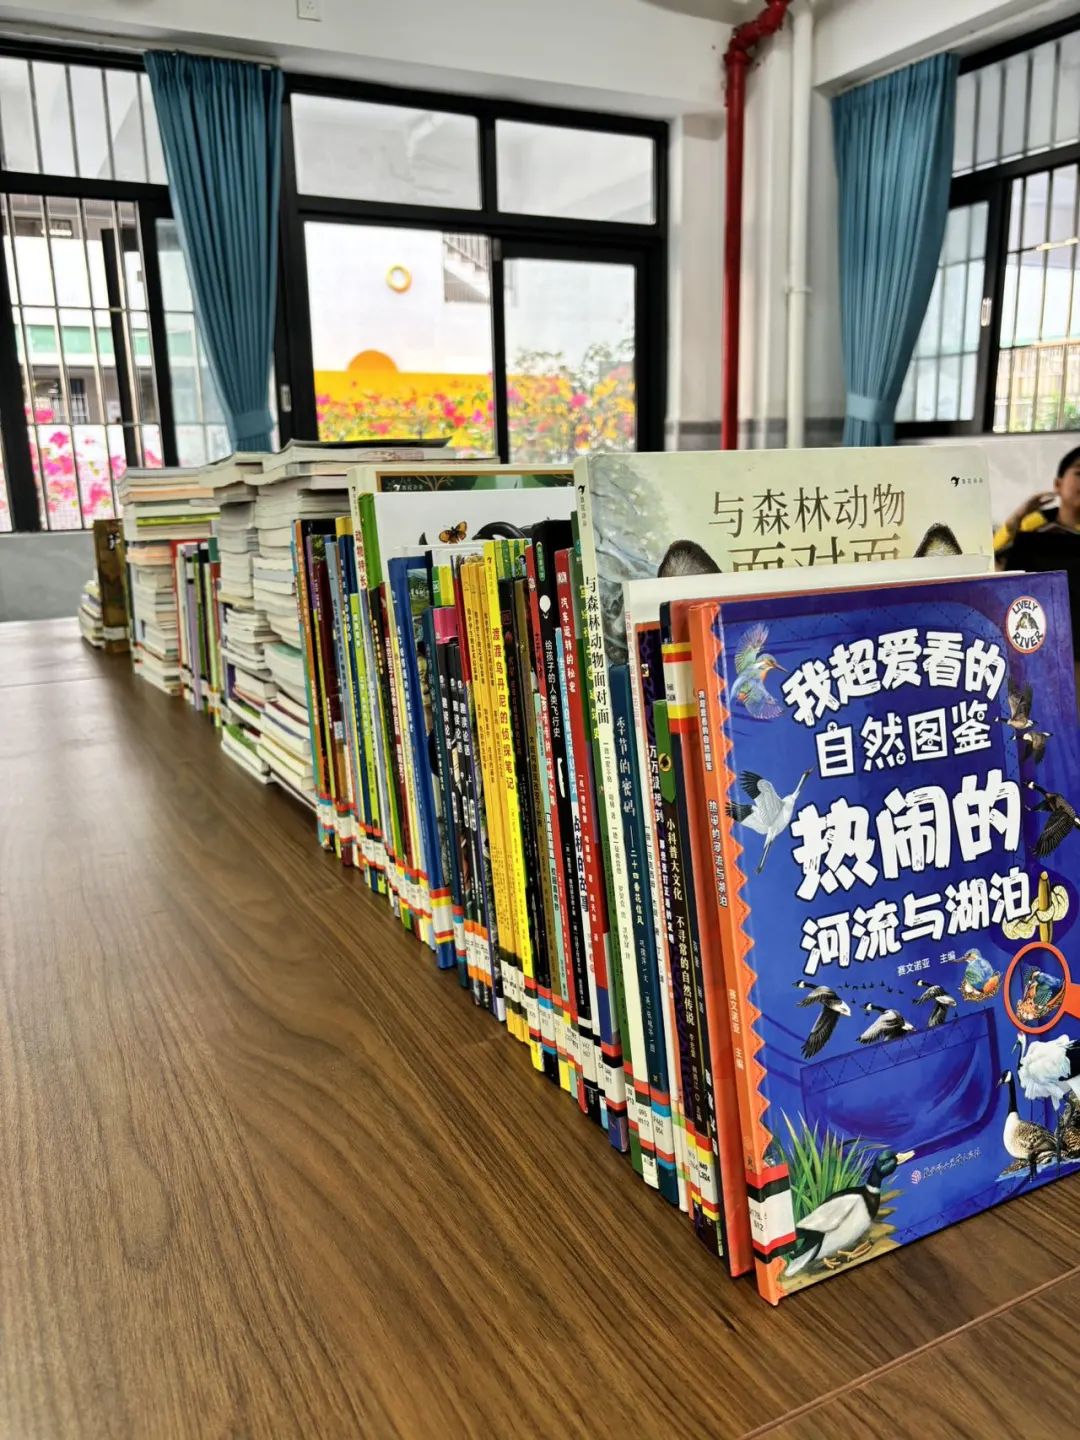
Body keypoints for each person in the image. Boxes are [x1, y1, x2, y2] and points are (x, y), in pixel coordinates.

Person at [995, 445, 1080, 680]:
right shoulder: (1032, 531)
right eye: (1079, 473)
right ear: (1058, 484)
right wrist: (1017, 518)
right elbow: (994, 567)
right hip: (1041, 655)